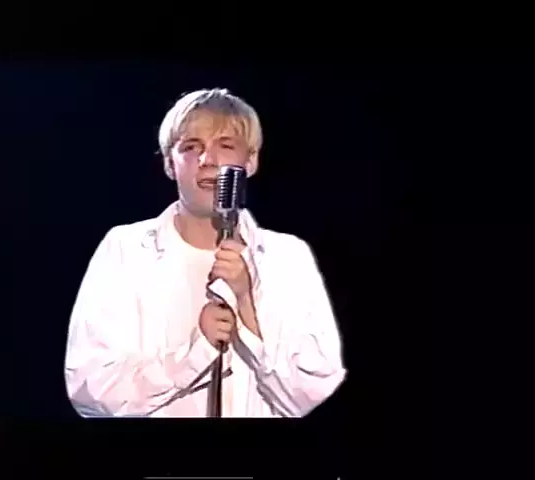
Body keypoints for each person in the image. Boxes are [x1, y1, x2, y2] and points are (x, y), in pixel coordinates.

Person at [63, 88, 346, 417]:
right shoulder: (126, 249)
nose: (208, 160)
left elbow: (312, 395)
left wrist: (247, 307)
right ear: (170, 164)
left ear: (250, 161)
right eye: (191, 147)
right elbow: (91, 389)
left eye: (225, 145)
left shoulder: (288, 257)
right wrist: (196, 352)